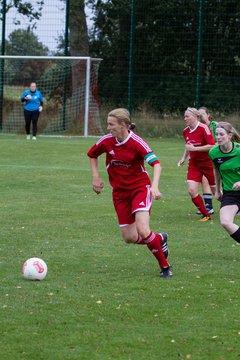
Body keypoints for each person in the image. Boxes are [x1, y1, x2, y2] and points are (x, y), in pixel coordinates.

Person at [87, 108, 173, 278]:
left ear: (123, 125)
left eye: (111, 124)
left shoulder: (137, 142)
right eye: (108, 124)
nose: (108, 127)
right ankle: (159, 239)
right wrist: (96, 177)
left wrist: (154, 187)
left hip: (140, 189)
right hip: (120, 193)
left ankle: (165, 266)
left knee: (142, 229)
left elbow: (156, 164)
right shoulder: (106, 141)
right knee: (129, 237)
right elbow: (92, 154)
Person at [178, 107, 216, 221]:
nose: (185, 119)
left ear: (196, 117)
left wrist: (195, 149)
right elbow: (188, 146)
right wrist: (183, 158)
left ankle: (235, 205)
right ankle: (206, 215)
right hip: (194, 164)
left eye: (187, 116)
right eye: (184, 116)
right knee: (192, 190)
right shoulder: (185, 131)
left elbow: (211, 145)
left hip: (208, 163)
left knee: (217, 192)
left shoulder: (204, 128)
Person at [209, 122, 240, 243]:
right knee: (225, 222)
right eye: (216, 134)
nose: (218, 137)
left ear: (230, 135)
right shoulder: (213, 152)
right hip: (230, 193)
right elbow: (216, 170)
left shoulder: (239, 150)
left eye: (221, 134)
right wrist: (217, 190)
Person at [197, 106, 218, 215]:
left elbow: (220, 142)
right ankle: (208, 206)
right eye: (198, 115)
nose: (200, 117)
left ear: (208, 115)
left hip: (217, 157)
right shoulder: (199, 127)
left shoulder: (215, 126)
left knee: (217, 183)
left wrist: (211, 145)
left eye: (202, 114)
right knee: (205, 180)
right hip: (205, 158)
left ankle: (233, 203)